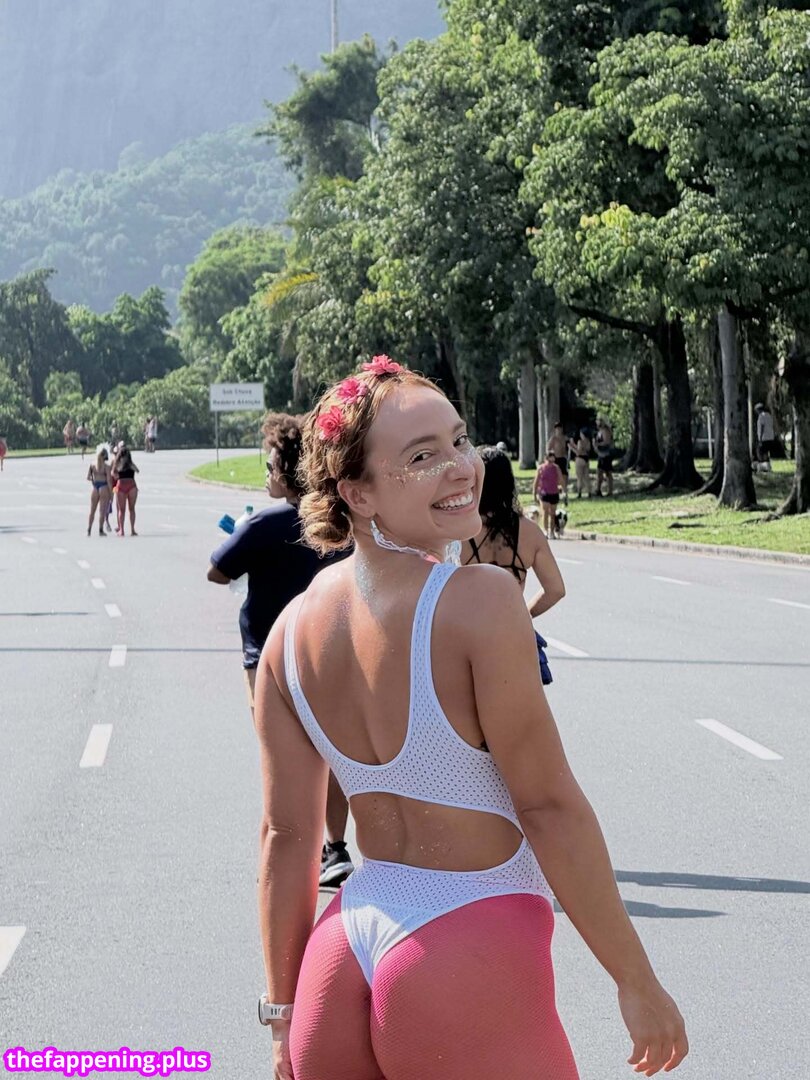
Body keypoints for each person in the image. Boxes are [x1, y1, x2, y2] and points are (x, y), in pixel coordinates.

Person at [255, 359, 687, 1080]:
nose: (461, 468)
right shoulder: (479, 600)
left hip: (340, 954)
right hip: (463, 940)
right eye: (422, 456)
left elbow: (286, 839)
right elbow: (547, 807)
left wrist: (283, 1018)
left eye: (459, 440)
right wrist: (635, 980)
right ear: (357, 493)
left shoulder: (290, 632)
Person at [208, 413, 354, 888]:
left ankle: (291, 853)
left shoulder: (263, 524)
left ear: (289, 471)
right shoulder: (336, 523)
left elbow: (218, 570)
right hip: (329, 651)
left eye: (271, 466)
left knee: (282, 757)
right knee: (330, 754)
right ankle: (335, 848)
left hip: (268, 657)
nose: (268, 474)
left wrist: (245, 535)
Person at [465, 445, 564, 684]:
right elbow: (556, 589)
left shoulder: (460, 530)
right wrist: (523, 614)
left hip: (468, 635)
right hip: (513, 635)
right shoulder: (529, 532)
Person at [534, 451, 565, 538]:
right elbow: (536, 481)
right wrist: (534, 493)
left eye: (552, 461)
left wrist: (563, 490)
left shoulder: (556, 468)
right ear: (545, 459)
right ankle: (545, 530)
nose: (551, 463)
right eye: (549, 460)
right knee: (545, 512)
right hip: (544, 492)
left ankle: (552, 531)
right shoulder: (541, 468)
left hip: (554, 492)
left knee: (553, 513)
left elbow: (561, 480)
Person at [114, 444, 139, 536]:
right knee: (130, 509)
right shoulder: (130, 464)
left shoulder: (118, 464)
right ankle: (131, 530)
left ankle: (123, 530)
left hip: (122, 485)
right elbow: (137, 470)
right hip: (131, 485)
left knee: (122, 510)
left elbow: (113, 474)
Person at [86, 446, 111, 537]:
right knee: (102, 511)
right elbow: (109, 480)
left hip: (95, 487)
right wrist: (111, 493)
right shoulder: (107, 467)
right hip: (103, 486)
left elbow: (88, 477)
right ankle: (100, 530)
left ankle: (89, 529)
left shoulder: (92, 465)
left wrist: (93, 480)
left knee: (92, 510)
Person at [546, 421, 569, 501]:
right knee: (555, 476)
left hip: (563, 459)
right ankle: (555, 492)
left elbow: (568, 446)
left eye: (560, 428)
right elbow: (548, 448)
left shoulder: (564, 438)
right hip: (556, 459)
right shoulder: (553, 438)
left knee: (564, 476)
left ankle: (565, 492)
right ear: (555, 429)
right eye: (557, 428)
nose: (559, 430)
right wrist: (550, 457)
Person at [570, 427, 592, 497]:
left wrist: (571, 448)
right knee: (586, 477)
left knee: (579, 477)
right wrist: (573, 444)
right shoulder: (588, 442)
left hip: (580, 459)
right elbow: (583, 450)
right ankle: (589, 492)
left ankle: (579, 493)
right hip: (586, 459)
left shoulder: (580, 441)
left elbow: (578, 452)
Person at [595, 417, 614, 497]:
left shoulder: (605, 430)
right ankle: (598, 490)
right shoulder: (600, 431)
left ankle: (610, 491)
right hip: (601, 454)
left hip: (606, 455)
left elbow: (607, 441)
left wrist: (598, 444)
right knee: (599, 472)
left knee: (608, 473)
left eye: (599, 421)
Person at [755, 402, 775, 471]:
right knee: (766, 452)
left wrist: (760, 438)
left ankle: (762, 466)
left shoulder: (761, 416)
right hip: (770, 436)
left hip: (764, 437)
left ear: (759, 410)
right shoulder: (769, 415)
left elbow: (762, 427)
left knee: (760, 452)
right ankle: (767, 466)